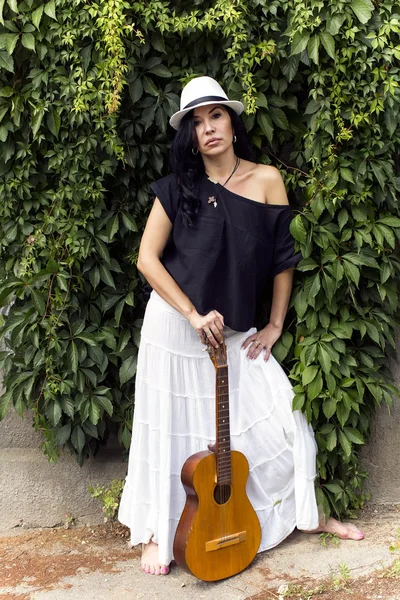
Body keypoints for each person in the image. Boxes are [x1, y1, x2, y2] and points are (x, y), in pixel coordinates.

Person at [118, 76, 364, 576]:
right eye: (196, 122)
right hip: (176, 329)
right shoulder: (176, 189)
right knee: (169, 429)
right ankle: (158, 532)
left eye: (215, 115)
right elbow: (146, 259)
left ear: (232, 121)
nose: (207, 128)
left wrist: (275, 324)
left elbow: (282, 259)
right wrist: (190, 313)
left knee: (281, 424)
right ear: (188, 135)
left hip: (233, 335)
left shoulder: (268, 179)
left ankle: (308, 515)